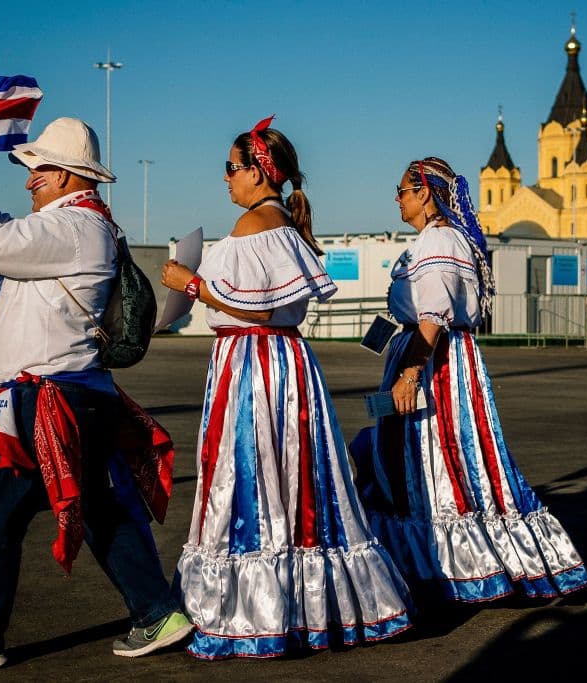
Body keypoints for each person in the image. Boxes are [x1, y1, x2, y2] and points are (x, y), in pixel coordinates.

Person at [0, 118, 191, 673]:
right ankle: (157, 613)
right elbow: (2, 229)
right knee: (102, 511)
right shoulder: (80, 225)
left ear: (63, 174)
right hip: (76, 394)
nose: (29, 178)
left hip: (48, 400)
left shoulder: (73, 229)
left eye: (36, 169)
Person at [161, 116, 412, 660]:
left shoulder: (258, 224)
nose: (225, 178)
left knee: (251, 477)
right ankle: (308, 606)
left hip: (256, 361)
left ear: (259, 172)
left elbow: (261, 306)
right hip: (282, 362)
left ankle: (256, 611)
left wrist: (193, 285)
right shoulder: (277, 222)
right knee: (296, 481)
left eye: (231, 168)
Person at [350, 157, 587, 605]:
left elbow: (433, 317)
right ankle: (429, 561)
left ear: (424, 193)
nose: (397, 199)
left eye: (402, 190)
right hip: (426, 354)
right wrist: (385, 345)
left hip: (434, 365)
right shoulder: (434, 240)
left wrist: (409, 374)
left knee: (436, 461)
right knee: (409, 458)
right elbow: (413, 314)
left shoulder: (440, 239)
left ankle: (457, 566)